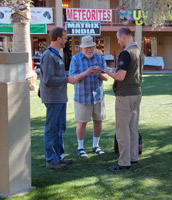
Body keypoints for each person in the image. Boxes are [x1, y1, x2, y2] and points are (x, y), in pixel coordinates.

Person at [105, 27, 144, 172]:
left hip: (125, 95)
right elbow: (130, 72)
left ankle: (123, 162)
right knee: (133, 128)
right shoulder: (139, 51)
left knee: (122, 130)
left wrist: (109, 72)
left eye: (117, 38)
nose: (117, 41)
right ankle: (133, 158)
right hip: (136, 93)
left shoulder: (126, 53)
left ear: (123, 36)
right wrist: (116, 71)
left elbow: (121, 77)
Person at [39, 27, 78, 170]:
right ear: (58, 38)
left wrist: (67, 78)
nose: (67, 39)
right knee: (52, 129)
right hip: (53, 98)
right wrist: (67, 79)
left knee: (60, 128)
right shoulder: (48, 56)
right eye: (65, 37)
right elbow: (48, 79)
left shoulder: (56, 54)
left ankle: (59, 156)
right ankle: (51, 160)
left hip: (60, 98)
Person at [69, 35, 109, 157]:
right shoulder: (75, 59)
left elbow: (106, 77)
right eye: (86, 48)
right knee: (82, 122)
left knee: (98, 121)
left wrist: (99, 74)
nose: (89, 50)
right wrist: (86, 73)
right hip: (82, 97)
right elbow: (72, 78)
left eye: (91, 47)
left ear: (94, 47)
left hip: (98, 96)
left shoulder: (100, 58)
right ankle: (80, 147)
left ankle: (95, 145)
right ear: (82, 48)